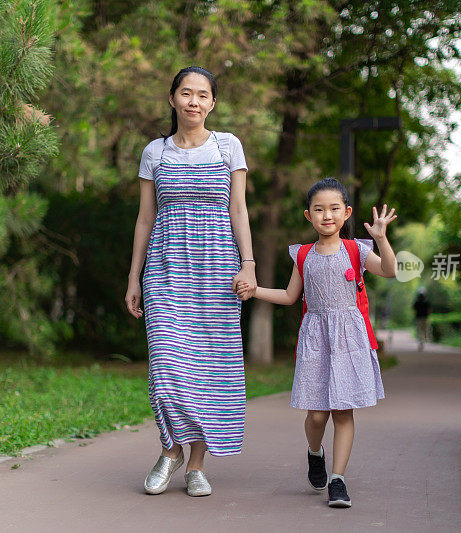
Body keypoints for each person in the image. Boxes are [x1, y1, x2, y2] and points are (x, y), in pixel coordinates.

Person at [125, 66, 256, 498]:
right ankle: (170, 450)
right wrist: (134, 276)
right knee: (165, 366)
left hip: (218, 267)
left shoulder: (228, 146)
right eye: (186, 93)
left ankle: (196, 464)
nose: (193, 102)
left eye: (202, 95)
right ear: (172, 99)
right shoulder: (155, 153)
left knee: (210, 369)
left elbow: (238, 210)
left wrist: (249, 264)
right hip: (165, 267)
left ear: (212, 103)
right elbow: (146, 217)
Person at [238, 178, 397, 508]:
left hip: (350, 338)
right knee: (316, 416)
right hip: (316, 337)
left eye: (334, 209)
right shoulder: (303, 254)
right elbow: (289, 295)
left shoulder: (357, 250)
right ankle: (315, 452)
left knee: (342, 412)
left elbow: (389, 270)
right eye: (319, 209)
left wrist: (381, 239)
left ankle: (337, 481)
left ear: (346, 213)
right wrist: (255, 291)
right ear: (308, 215)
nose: (327, 215)